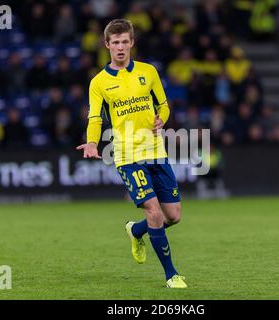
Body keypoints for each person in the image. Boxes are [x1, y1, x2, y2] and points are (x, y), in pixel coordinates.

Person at [76, 19, 187, 288]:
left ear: (132, 43)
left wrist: (162, 118)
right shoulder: (99, 82)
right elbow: (95, 118)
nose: (121, 47)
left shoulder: (148, 72)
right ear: (107, 45)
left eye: (125, 41)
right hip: (127, 155)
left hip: (156, 152)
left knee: (173, 216)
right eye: (115, 42)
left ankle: (135, 231)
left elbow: (164, 105)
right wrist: (92, 142)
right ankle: (172, 275)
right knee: (154, 213)